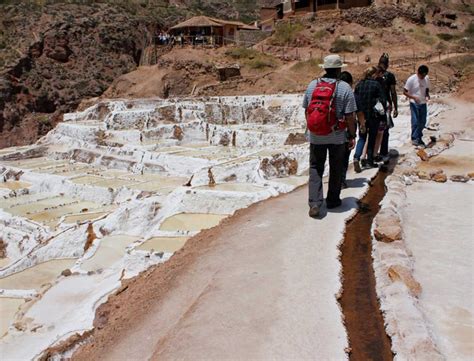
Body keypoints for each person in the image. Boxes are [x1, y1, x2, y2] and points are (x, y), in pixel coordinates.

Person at [303, 55, 357, 218]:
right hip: (337, 136)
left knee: (315, 168)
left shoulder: (313, 85)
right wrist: (352, 135)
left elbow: (307, 110)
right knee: (336, 167)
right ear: (339, 69)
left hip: (316, 136)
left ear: (324, 68)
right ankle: (333, 200)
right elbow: (349, 116)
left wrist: (313, 129)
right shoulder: (345, 88)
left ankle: (315, 203)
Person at [353, 66, 385, 172]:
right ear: (374, 74)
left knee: (362, 137)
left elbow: (355, 100)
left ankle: (357, 157)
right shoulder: (376, 85)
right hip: (373, 116)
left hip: (361, 116)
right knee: (371, 138)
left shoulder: (359, 85)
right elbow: (382, 100)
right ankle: (369, 161)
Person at [404, 65, 430, 147]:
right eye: (421, 75)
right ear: (418, 73)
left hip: (423, 102)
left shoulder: (426, 78)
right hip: (414, 102)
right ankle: (414, 138)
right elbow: (405, 92)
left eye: (424, 75)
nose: (423, 77)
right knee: (415, 121)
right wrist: (413, 97)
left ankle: (419, 137)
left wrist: (427, 94)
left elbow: (427, 88)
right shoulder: (412, 79)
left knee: (423, 121)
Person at [378, 53, 398, 159]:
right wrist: (396, 107)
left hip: (373, 105)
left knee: (372, 130)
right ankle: (383, 152)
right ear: (388, 64)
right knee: (385, 130)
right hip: (385, 105)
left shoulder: (373, 73)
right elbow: (393, 92)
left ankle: (370, 154)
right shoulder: (390, 76)